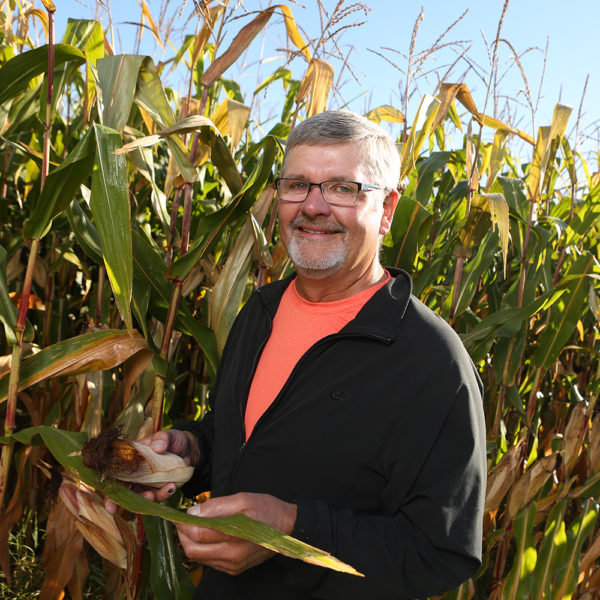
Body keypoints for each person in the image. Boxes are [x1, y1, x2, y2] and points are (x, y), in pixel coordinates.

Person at [131, 110, 487, 599]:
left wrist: (290, 532)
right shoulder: (260, 311)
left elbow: (439, 553)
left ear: (387, 210)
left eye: (342, 188)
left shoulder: (431, 362)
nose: (313, 206)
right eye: (297, 185)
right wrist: (192, 450)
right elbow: (249, 440)